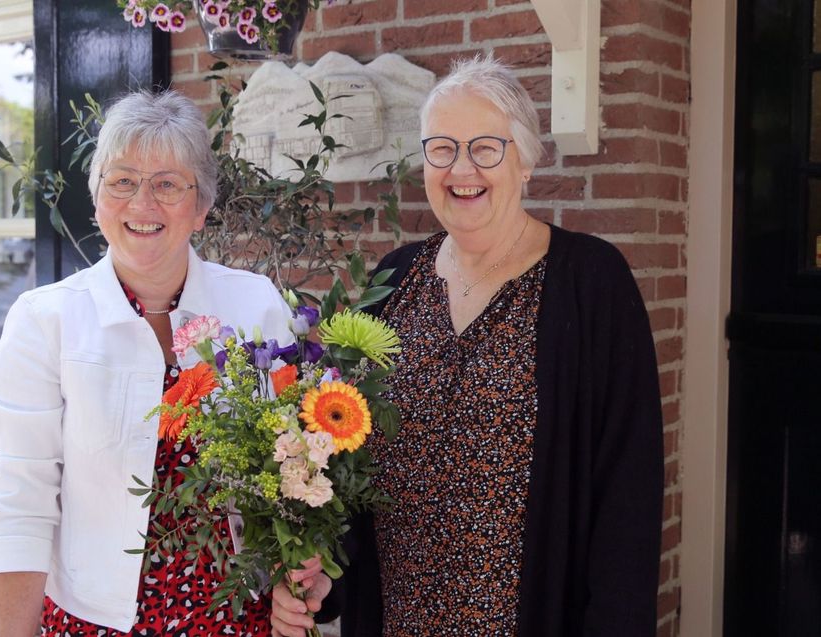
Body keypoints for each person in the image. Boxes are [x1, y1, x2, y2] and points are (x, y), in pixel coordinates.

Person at [270, 53, 664, 637]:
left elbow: (627, 500)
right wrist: (330, 581)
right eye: (442, 148)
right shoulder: (394, 283)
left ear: (525, 161)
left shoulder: (592, 283)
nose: (462, 169)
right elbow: (352, 471)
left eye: (486, 148)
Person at [0, 89, 292, 637]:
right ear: (98, 197)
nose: (142, 204)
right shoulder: (44, 321)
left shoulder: (256, 306)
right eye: (122, 180)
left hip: (237, 619)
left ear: (200, 209)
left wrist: (299, 579)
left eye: (168, 185)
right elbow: (21, 504)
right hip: (95, 623)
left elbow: (291, 477)